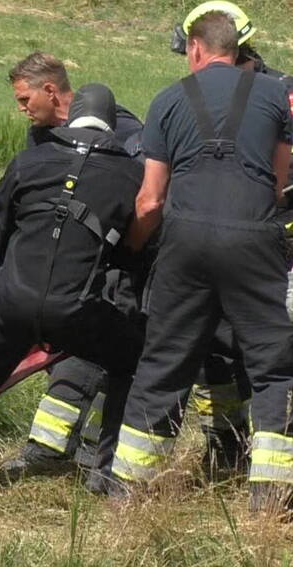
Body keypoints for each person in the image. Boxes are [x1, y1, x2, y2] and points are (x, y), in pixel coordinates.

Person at [105, 10, 293, 513]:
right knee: (273, 365)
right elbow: (279, 184)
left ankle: (129, 493)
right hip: (254, 237)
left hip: (185, 242)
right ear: (237, 48)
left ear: (194, 48)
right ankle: (270, 500)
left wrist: (133, 248)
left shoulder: (168, 100)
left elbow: (149, 201)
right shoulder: (277, 97)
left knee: (165, 360)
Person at [0, 84, 145, 474]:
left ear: (72, 114)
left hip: (11, 302)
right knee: (133, 363)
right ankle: (101, 472)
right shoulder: (132, 175)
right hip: (77, 312)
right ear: (113, 125)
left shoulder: (29, 161)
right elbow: (134, 248)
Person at [0, 53, 145, 479]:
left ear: (51, 90)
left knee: (99, 354)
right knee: (79, 352)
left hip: (113, 262)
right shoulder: (40, 140)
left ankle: (82, 453)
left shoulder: (125, 130)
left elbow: (140, 196)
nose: (22, 110)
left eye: (25, 99)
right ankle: (55, 449)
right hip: (56, 268)